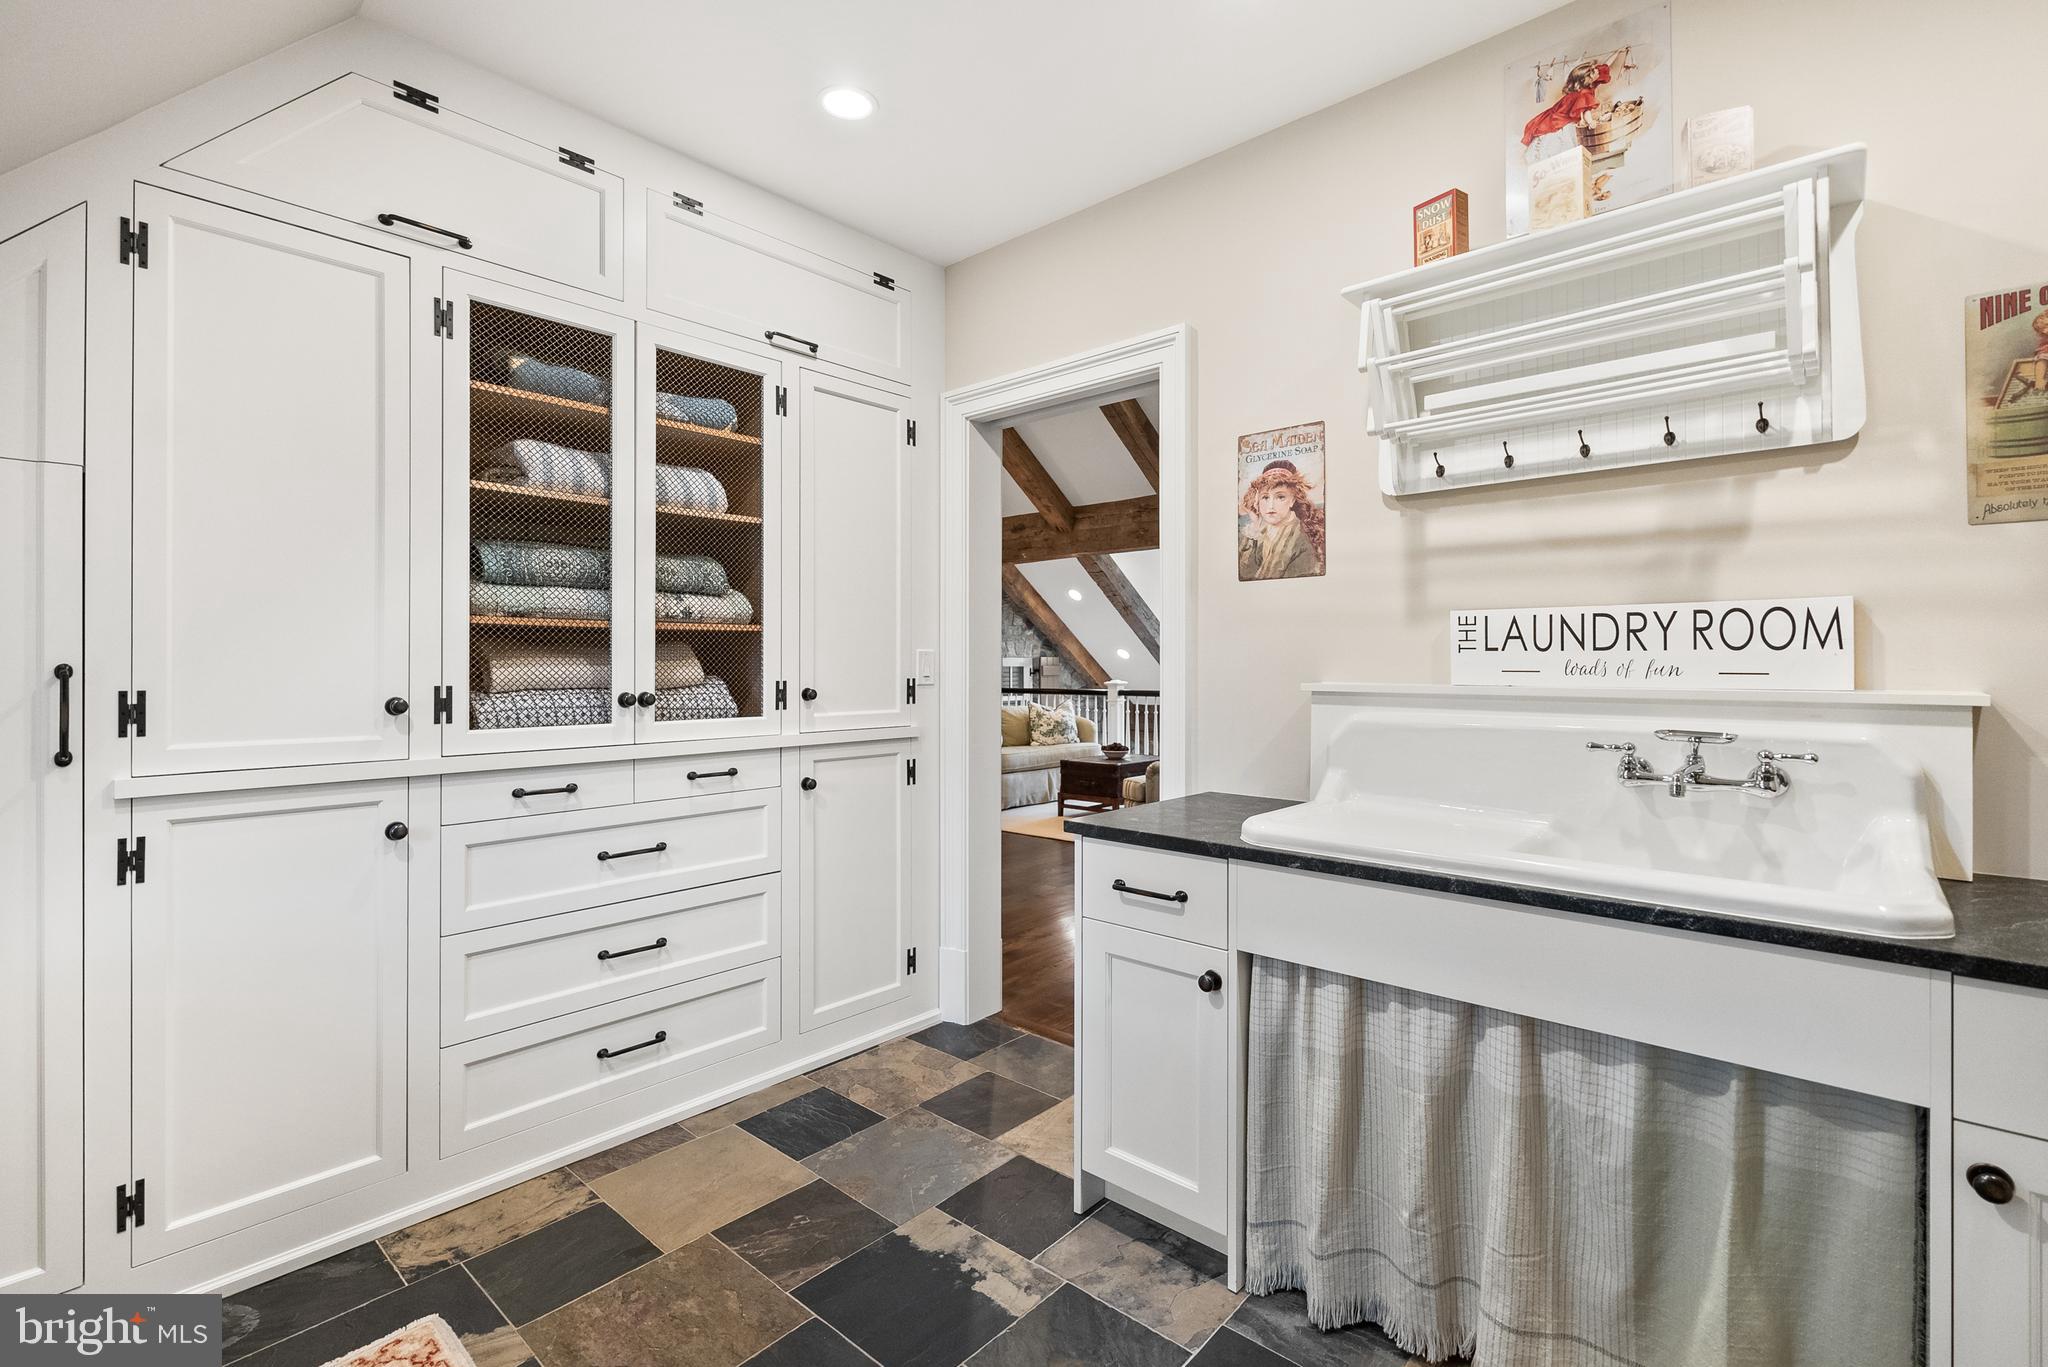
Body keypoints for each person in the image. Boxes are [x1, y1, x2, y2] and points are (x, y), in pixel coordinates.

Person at [1238, 459, 1326, 580]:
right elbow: (1245, 575)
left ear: (1293, 500)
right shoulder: (1258, 533)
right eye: (1265, 497)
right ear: (1257, 500)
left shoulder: (1303, 540)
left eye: (1280, 497)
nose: (1270, 506)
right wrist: (1255, 523)